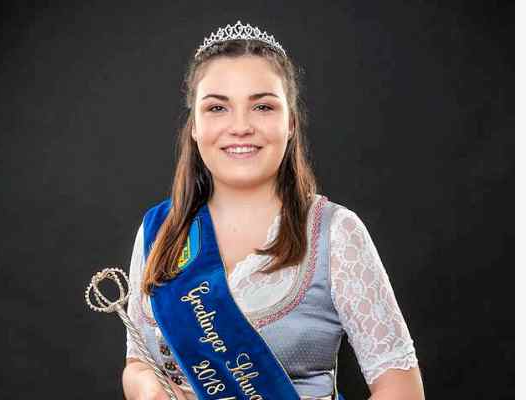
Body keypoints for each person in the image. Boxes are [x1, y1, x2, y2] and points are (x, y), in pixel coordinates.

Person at [121, 21, 424, 400]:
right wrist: (150, 390)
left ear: (291, 123)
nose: (240, 126)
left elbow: (401, 387)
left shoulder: (335, 232)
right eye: (217, 107)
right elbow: (138, 362)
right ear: (195, 127)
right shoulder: (159, 230)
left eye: (262, 106)